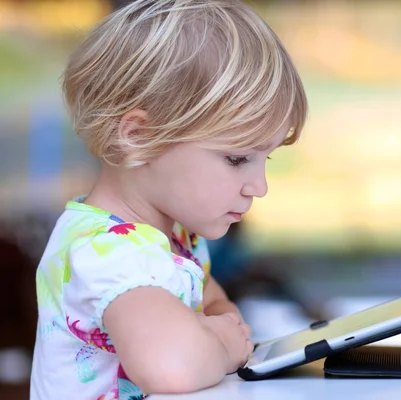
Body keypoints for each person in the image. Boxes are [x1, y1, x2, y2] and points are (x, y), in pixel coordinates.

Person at [30, 0, 308, 398]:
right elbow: (173, 369)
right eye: (237, 158)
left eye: (266, 158)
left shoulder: (172, 236)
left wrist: (211, 332)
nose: (258, 186)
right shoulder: (111, 253)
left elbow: (213, 302)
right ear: (139, 137)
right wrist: (223, 346)